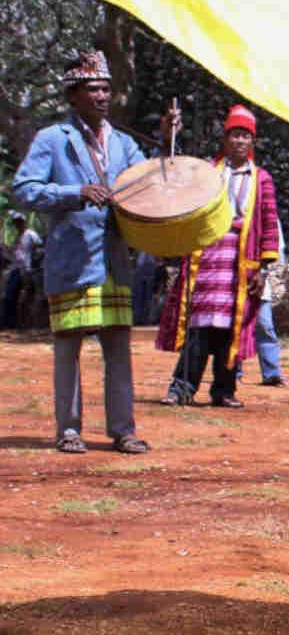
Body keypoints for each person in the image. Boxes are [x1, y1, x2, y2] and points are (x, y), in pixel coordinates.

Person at [10, 50, 177, 454]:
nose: (102, 96)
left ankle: (123, 430)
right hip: (71, 259)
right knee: (68, 348)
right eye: (92, 89)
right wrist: (75, 193)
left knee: (118, 348)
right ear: (73, 96)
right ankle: (68, 430)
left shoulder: (122, 143)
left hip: (114, 261)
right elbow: (23, 189)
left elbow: (147, 181)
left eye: (106, 89)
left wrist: (165, 139)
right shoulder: (53, 139)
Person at [156, 105, 281, 408]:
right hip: (207, 259)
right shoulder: (208, 172)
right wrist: (169, 136)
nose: (239, 141)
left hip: (241, 261)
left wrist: (264, 269)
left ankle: (224, 391)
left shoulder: (260, 179)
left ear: (252, 143)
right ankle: (181, 388)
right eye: (234, 135)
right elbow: (181, 186)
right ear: (225, 140)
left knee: (230, 329)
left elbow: (267, 220)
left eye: (245, 136)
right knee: (199, 325)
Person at [254, 224, 289, 387]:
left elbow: (276, 247)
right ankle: (233, 373)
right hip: (232, 275)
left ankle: (272, 374)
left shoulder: (268, 214)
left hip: (259, 279)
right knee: (235, 330)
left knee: (265, 326)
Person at [0, 212, 41, 329]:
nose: (17, 224)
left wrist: (34, 266)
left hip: (26, 270)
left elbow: (39, 248)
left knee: (20, 296)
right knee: (9, 296)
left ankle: (17, 324)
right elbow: (14, 254)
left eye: (19, 221)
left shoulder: (31, 234)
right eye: (15, 222)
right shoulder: (18, 238)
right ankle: (9, 323)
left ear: (24, 222)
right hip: (16, 269)